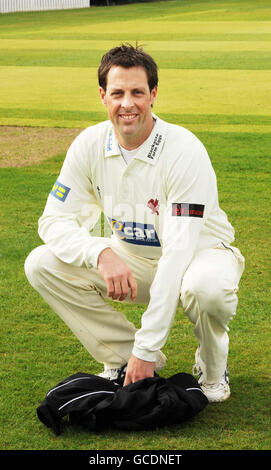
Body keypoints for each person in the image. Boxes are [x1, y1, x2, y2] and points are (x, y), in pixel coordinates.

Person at [24, 44, 245, 402]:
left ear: (153, 94)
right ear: (103, 96)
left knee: (205, 288)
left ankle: (212, 368)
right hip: (134, 261)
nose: (127, 103)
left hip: (200, 255)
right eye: (118, 93)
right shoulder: (88, 145)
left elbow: (178, 252)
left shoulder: (184, 150)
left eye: (137, 92)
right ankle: (124, 357)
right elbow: (53, 220)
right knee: (42, 263)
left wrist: (148, 342)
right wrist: (99, 252)